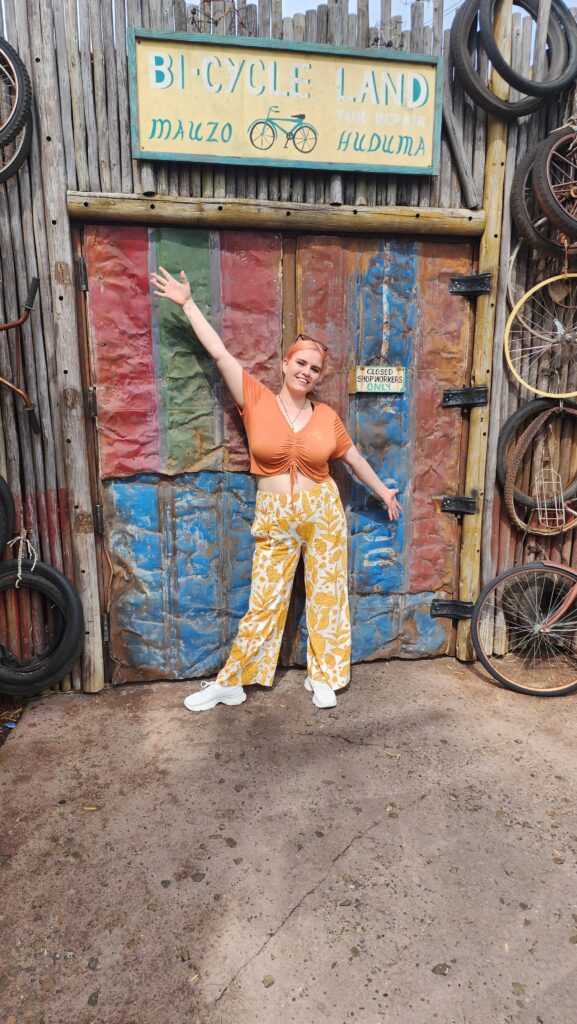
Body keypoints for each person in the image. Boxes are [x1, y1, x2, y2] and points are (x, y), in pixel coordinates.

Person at [150, 266, 401, 712]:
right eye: (301, 363)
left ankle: (325, 677)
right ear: (285, 364)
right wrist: (188, 304)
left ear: (320, 378)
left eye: (315, 369)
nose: (306, 372)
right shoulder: (256, 400)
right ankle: (233, 681)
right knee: (264, 601)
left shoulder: (326, 418)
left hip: (323, 512)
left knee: (327, 596)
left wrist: (383, 491)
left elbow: (354, 458)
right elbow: (220, 353)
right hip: (275, 515)